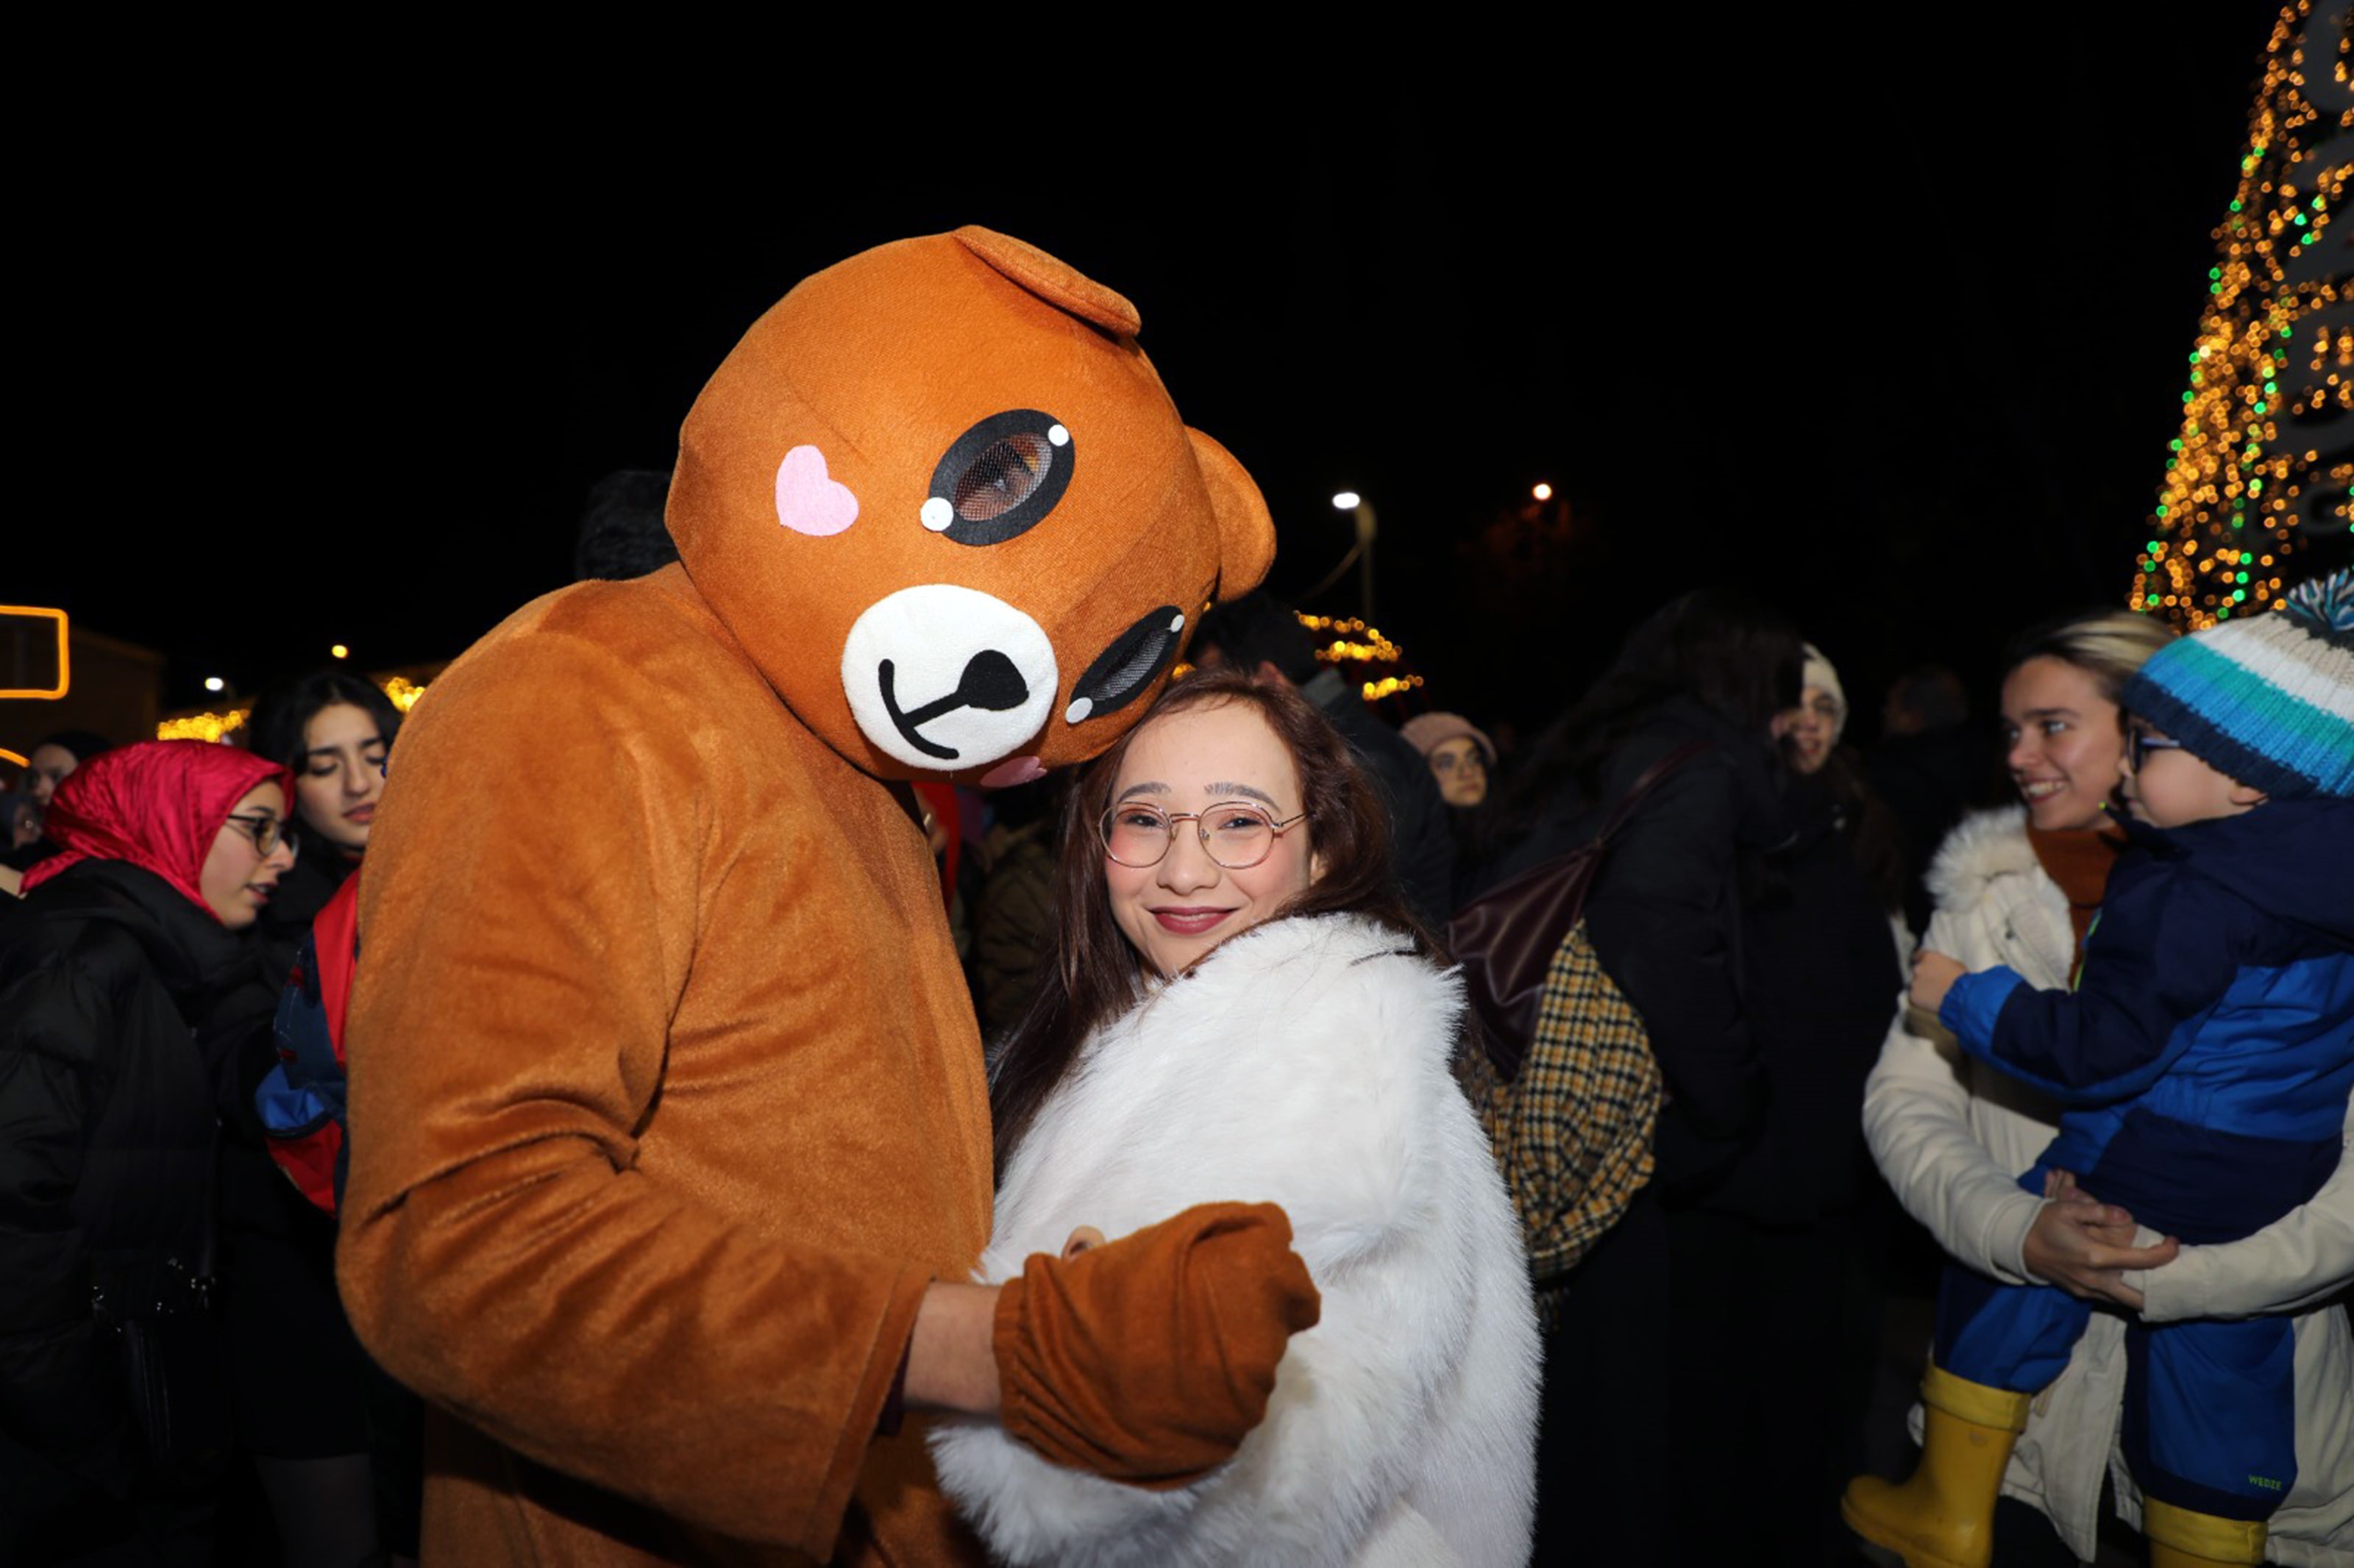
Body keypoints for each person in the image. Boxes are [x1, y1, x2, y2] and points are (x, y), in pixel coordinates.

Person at [335, 227, 1318, 1564]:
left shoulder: (863, 767)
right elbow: (457, 1241)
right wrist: (987, 1348)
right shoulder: (579, 695)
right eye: (1000, 480)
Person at [931, 669, 1539, 1564]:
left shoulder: (1332, 1070)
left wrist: (924, 1356)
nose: (1183, 867)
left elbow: (1254, 1507)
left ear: (1322, 849)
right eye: (1143, 818)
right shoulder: (1137, 1021)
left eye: (1240, 821)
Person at [1853, 605, 2354, 1567]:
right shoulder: (1981, 895)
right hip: (2028, 1457)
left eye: (2056, 726)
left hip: (2270, 1443)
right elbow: (1903, 1103)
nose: (2021, 758)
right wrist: (2017, 1235)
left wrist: (2177, 1275)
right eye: (2008, 729)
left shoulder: (2241, 895)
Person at [1480, 586, 1799, 1564]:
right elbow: (1655, 925)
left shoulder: (1594, 747)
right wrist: (1729, 1092)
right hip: (1607, 1105)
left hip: (1512, 1069)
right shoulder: (1696, 767)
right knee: (1610, 1411)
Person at [0, 740, 296, 1565]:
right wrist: (87, 1421)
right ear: (172, 824)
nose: (281, 856)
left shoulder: (173, 959)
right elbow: (11, 1207)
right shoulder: (84, 958)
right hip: (79, 1447)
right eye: (259, 829)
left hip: (138, 1408)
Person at [234, 670, 412, 1567]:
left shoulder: (436, 874)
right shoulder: (259, 916)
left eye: (376, 756)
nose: (359, 785)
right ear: (282, 781)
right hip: (302, 1278)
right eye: (325, 764)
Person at [1190, 589, 1457, 924]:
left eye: (1219, 681)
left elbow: (1351, 904)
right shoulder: (1335, 745)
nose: (1213, 700)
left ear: (1270, 679)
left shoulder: (1357, 761)